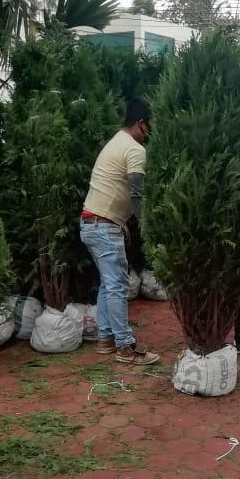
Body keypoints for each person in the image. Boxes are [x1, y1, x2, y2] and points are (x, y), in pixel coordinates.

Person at [79, 99, 160, 366]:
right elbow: (137, 193)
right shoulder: (134, 149)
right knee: (117, 285)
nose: (150, 133)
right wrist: (146, 225)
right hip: (103, 225)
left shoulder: (116, 141)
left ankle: (106, 339)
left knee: (109, 283)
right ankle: (125, 346)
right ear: (141, 123)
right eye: (150, 127)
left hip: (91, 223)